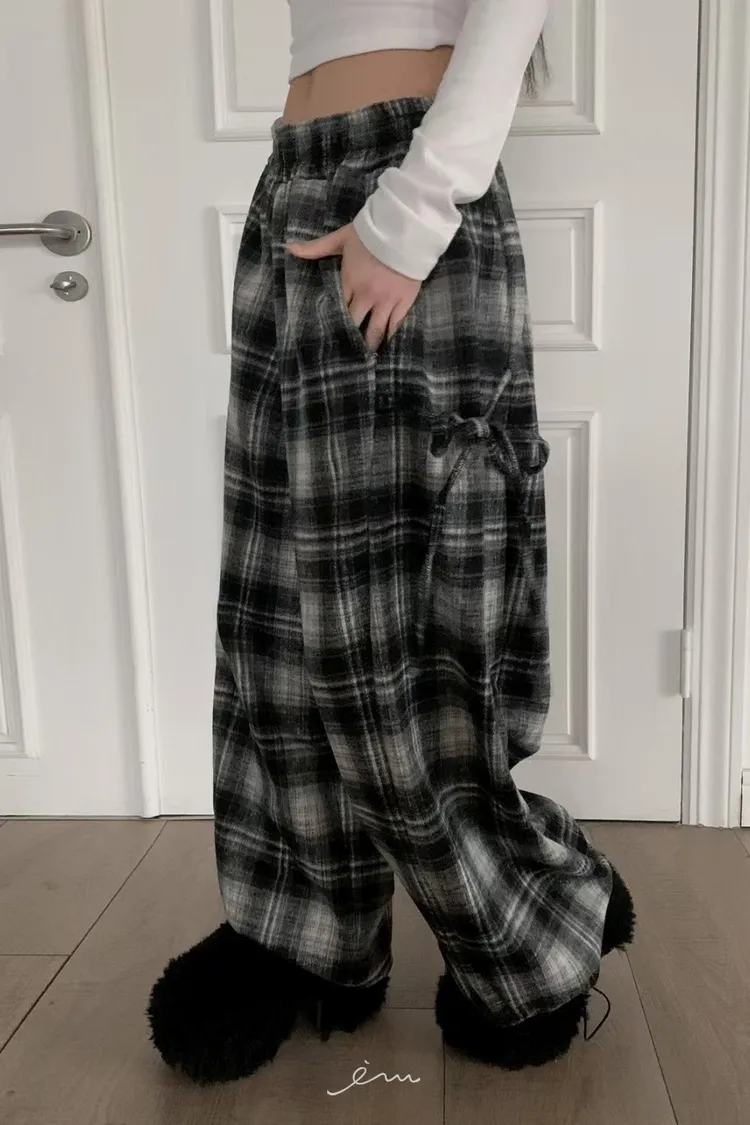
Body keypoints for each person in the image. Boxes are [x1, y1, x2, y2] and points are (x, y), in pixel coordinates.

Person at [148, 0, 636, 1085]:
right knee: (275, 601)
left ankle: (526, 923)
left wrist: (414, 207)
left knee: (403, 627)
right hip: (295, 178)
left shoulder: (412, 200)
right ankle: (301, 924)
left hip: (405, 180)